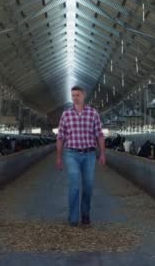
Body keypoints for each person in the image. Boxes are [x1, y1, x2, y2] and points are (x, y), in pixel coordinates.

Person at [56, 85, 106, 227]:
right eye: (73, 95)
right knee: (74, 186)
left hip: (89, 154)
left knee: (89, 186)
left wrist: (102, 153)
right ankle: (73, 218)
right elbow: (60, 137)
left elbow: (100, 135)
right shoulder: (66, 115)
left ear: (84, 95)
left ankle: (85, 215)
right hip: (71, 153)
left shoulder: (93, 113)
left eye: (77, 95)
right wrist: (59, 157)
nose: (75, 98)